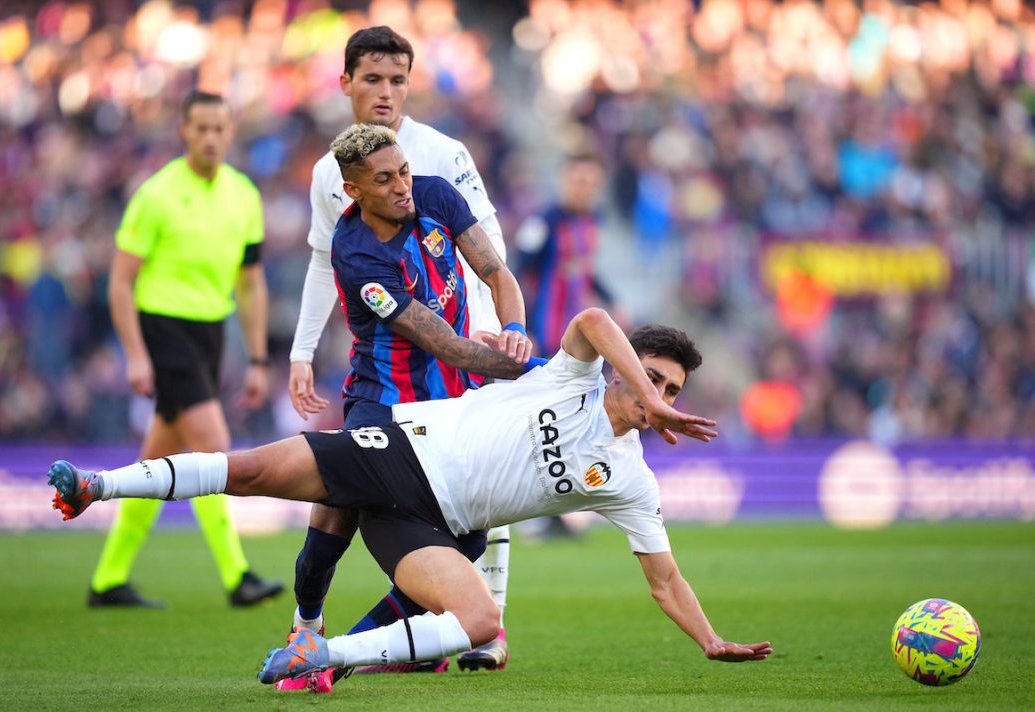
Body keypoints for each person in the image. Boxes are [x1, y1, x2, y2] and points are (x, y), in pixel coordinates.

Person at [48, 307, 773, 695]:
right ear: (625, 372)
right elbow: (589, 319)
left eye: (673, 391)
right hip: (400, 455)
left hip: (436, 526)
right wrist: (639, 385)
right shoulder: (570, 377)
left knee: (483, 620)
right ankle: (97, 486)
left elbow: (665, 578)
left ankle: (315, 653)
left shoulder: (629, 480)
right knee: (253, 473)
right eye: (651, 379)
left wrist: (709, 639)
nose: (661, 399)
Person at [286, 26, 518, 672]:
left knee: (479, 498)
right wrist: (302, 352)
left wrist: (487, 332)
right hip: (383, 366)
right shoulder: (328, 174)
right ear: (346, 85)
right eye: (373, 79)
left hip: (458, 354)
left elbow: (487, 242)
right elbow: (319, 262)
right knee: (341, 499)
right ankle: (314, 622)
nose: (386, 92)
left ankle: (484, 626)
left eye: (397, 80)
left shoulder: (442, 156)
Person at [89, 89, 283, 608]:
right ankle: (237, 575)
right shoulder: (156, 194)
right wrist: (135, 353)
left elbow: (251, 283)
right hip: (163, 327)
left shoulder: (244, 194)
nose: (211, 137)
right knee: (213, 447)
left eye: (220, 128)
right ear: (184, 131)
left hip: (210, 332)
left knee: (160, 455)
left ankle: (109, 578)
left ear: (231, 133)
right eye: (201, 128)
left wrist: (260, 359)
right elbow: (120, 282)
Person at [515, 150, 622, 539]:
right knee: (543, 421)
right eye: (577, 180)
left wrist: (613, 300)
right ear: (563, 180)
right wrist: (518, 325)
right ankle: (534, 515)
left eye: (591, 181)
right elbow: (517, 270)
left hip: (585, 345)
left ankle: (559, 510)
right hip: (547, 338)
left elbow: (586, 272)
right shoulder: (544, 222)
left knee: (572, 423)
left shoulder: (595, 222)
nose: (584, 187)